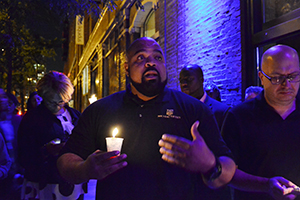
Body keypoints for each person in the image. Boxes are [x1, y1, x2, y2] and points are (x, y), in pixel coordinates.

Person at [57, 37, 236, 200]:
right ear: (126, 68)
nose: (151, 63)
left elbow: (229, 166)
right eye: (141, 58)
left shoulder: (194, 109)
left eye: (158, 58)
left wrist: (210, 164)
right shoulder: (100, 110)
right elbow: (66, 161)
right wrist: (85, 169)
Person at [223, 44, 300, 200]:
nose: (287, 85)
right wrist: (265, 185)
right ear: (262, 78)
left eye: (293, 76)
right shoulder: (238, 116)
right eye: (278, 78)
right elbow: (225, 172)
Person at [18, 71, 87, 200]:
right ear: (43, 96)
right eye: (51, 102)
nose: (56, 106)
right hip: (45, 182)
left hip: (71, 180)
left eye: (60, 102)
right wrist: (45, 151)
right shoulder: (33, 118)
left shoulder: (75, 115)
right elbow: (23, 155)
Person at [179, 64, 231, 131]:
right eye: (181, 81)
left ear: (201, 80)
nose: (184, 84)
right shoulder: (178, 110)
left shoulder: (222, 112)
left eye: (189, 79)